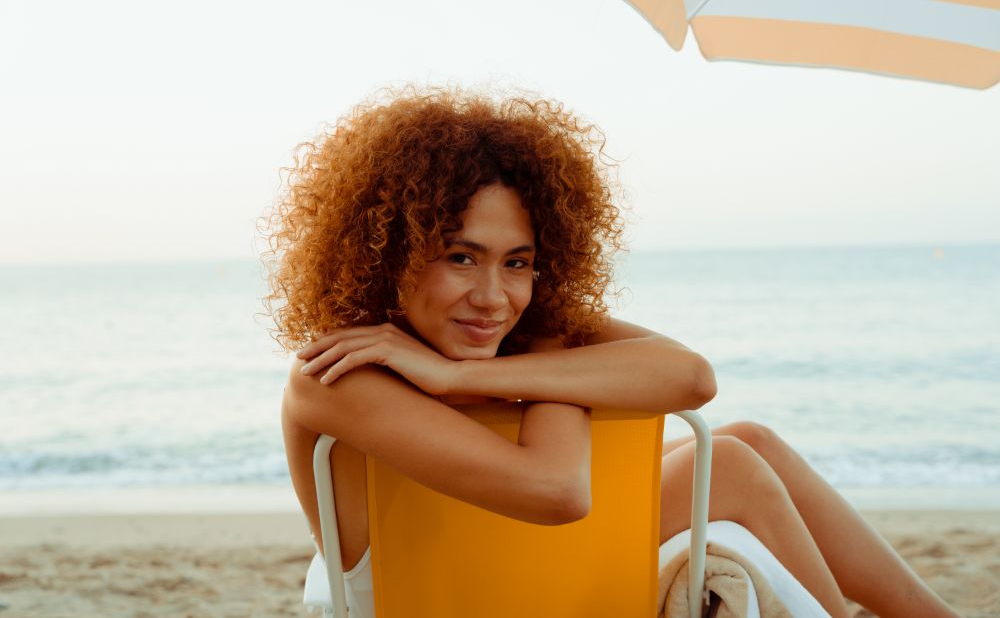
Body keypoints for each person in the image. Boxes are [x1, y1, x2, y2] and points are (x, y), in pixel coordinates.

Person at [265, 87, 958, 618]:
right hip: (442, 591)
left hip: (527, 561)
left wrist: (458, 373)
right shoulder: (335, 372)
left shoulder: (511, 333)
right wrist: (553, 364)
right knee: (736, 463)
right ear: (389, 251)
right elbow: (557, 489)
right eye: (459, 255)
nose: (492, 296)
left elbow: (692, 376)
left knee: (750, 442)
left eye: (518, 262)